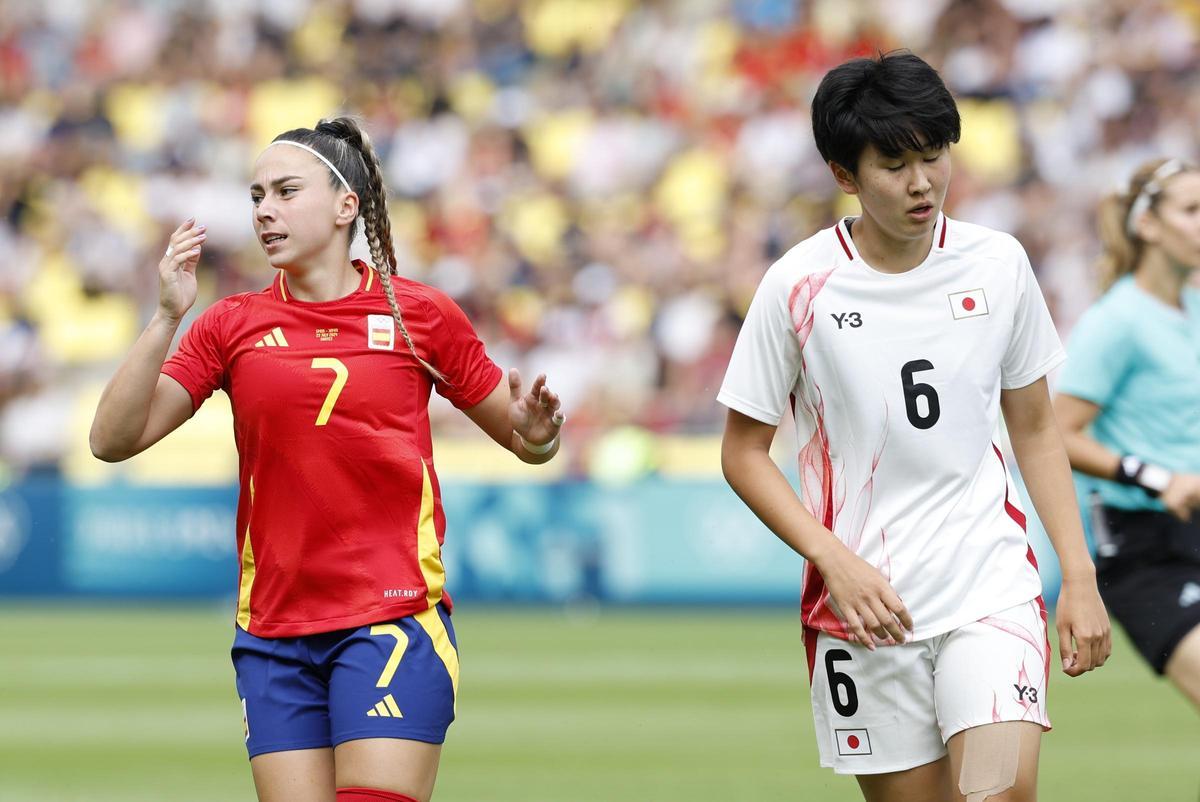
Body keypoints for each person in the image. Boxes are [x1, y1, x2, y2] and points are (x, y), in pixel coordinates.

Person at [89, 117, 565, 802]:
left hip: (390, 621)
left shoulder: (419, 315)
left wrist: (539, 432)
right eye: (256, 195)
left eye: (285, 191)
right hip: (273, 634)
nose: (264, 210)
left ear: (347, 206)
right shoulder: (229, 324)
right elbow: (111, 440)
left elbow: (526, 444)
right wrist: (167, 316)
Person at [717, 52, 1110, 802]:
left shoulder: (998, 263)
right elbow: (743, 454)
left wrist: (1079, 576)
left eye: (934, 156)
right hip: (866, 611)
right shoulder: (797, 285)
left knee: (996, 793)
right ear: (844, 175)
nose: (923, 181)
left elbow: (1035, 429)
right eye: (895, 165)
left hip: (987, 586)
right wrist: (832, 559)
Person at [1053, 158, 1200, 712]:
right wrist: (1154, 476)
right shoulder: (1117, 321)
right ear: (1148, 225)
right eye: (1191, 210)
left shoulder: (1193, 307)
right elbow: (1057, 433)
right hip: (1146, 550)